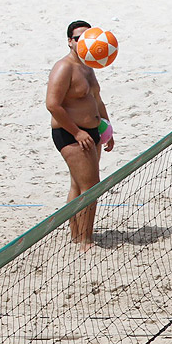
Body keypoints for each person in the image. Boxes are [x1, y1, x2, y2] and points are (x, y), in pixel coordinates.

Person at [46, 20, 115, 251]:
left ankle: (77, 236)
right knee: (91, 187)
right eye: (78, 38)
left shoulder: (88, 66)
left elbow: (96, 100)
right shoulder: (64, 67)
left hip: (93, 133)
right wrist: (76, 133)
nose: (84, 41)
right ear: (69, 42)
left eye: (88, 36)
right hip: (71, 134)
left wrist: (106, 130)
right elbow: (53, 105)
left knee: (78, 185)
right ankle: (85, 241)